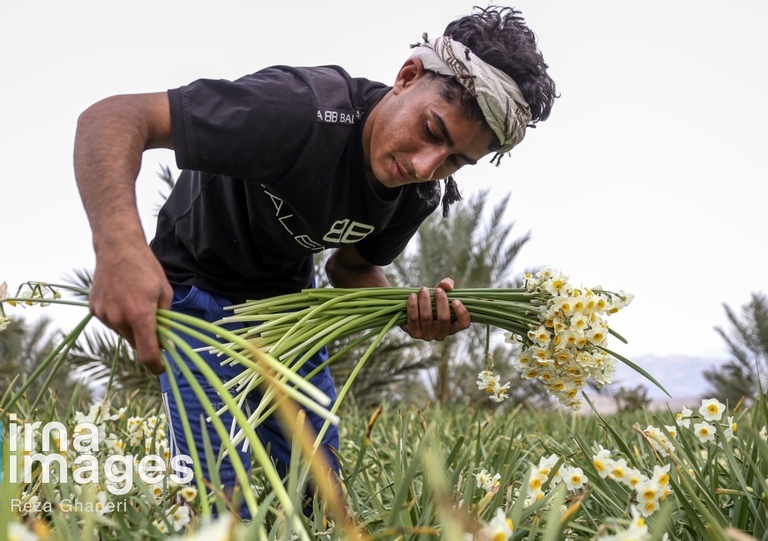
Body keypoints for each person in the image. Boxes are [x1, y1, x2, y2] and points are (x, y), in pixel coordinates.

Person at [73, 5, 557, 514]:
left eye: (457, 160)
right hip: (194, 291)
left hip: (288, 314)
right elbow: (112, 117)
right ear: (407, 77)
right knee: (213, 501)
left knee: (322, 497)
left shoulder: (418, 192)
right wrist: (120, 246)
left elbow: (349, 269)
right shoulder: (297, 111)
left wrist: (406, 310)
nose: (425, 165)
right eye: (432, 130)